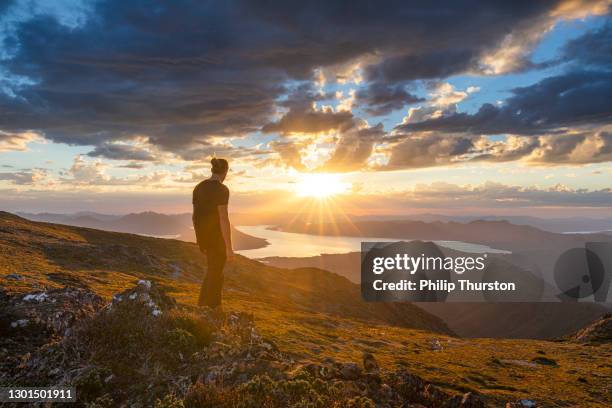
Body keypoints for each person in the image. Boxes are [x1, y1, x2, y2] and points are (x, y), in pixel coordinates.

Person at [192, 158, 234, 308]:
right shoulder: (222, 190)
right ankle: (212, 309)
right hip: (217, 238)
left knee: (213, 271)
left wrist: (200, 239)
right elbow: (223, 218)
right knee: (215, 274)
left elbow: (196, 216)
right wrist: (229, 248)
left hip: (204, 238)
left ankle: (203, 306)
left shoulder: (199, 187)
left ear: (212, 170)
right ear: (225, 172)